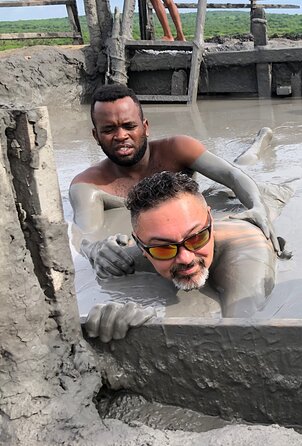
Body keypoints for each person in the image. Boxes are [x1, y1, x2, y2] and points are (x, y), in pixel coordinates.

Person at [69, 84, 286, 263]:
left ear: (145, 127)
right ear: (95, 136)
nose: (121, 136)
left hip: (212, 193)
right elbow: (87, 235)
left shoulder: (177, 149)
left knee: (246, 162)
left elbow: (232, 176)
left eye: (129, 126)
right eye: (108, 130)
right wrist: (96, 250)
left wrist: (258, 207)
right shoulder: (88, 185)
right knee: (244, 161)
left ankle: (260, 142)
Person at [84, 171, 277, 343]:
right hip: (216, 199)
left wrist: (157, 329)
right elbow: (84, 247)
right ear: (140, 244)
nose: (185, 258)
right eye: (164, 248)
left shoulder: (248, 249)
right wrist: (99, 251)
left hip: (272, 194)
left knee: (246, 165)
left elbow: (241, 336)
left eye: (197, 237)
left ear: (210, 220)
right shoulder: (144, 250)